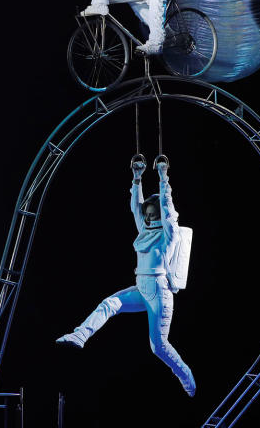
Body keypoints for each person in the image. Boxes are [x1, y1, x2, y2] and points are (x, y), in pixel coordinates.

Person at [56, 159, 196, 397]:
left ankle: (186, 377)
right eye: (147, 215)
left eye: (152, 215)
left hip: (160, 293)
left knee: (158, 346)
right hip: (142, 288)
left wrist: (163, 177)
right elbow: (135, 207)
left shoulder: (168, 235)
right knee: (109, 304)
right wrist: (137, 178)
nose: (148, 219)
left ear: (160, 217)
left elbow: (167, 206)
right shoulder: (144, 232)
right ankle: (80, 335)